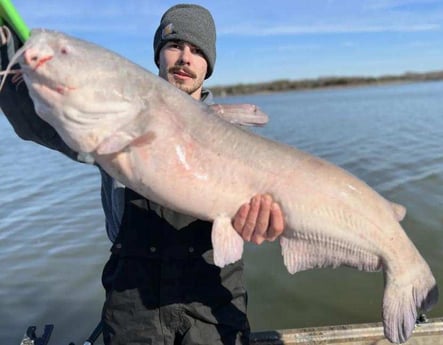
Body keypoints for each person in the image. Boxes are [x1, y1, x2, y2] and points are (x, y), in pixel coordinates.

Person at [0, 4, 285, 345]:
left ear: (209, 65)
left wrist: (261, 224)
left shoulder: (236, 136)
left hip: (214, 298)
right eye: (174, 45)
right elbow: (36, 118)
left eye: (197, 51)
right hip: (133, 301)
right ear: (158, 55)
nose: (184, 58)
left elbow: (266, 214)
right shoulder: (113, 119)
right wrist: (7, 53)